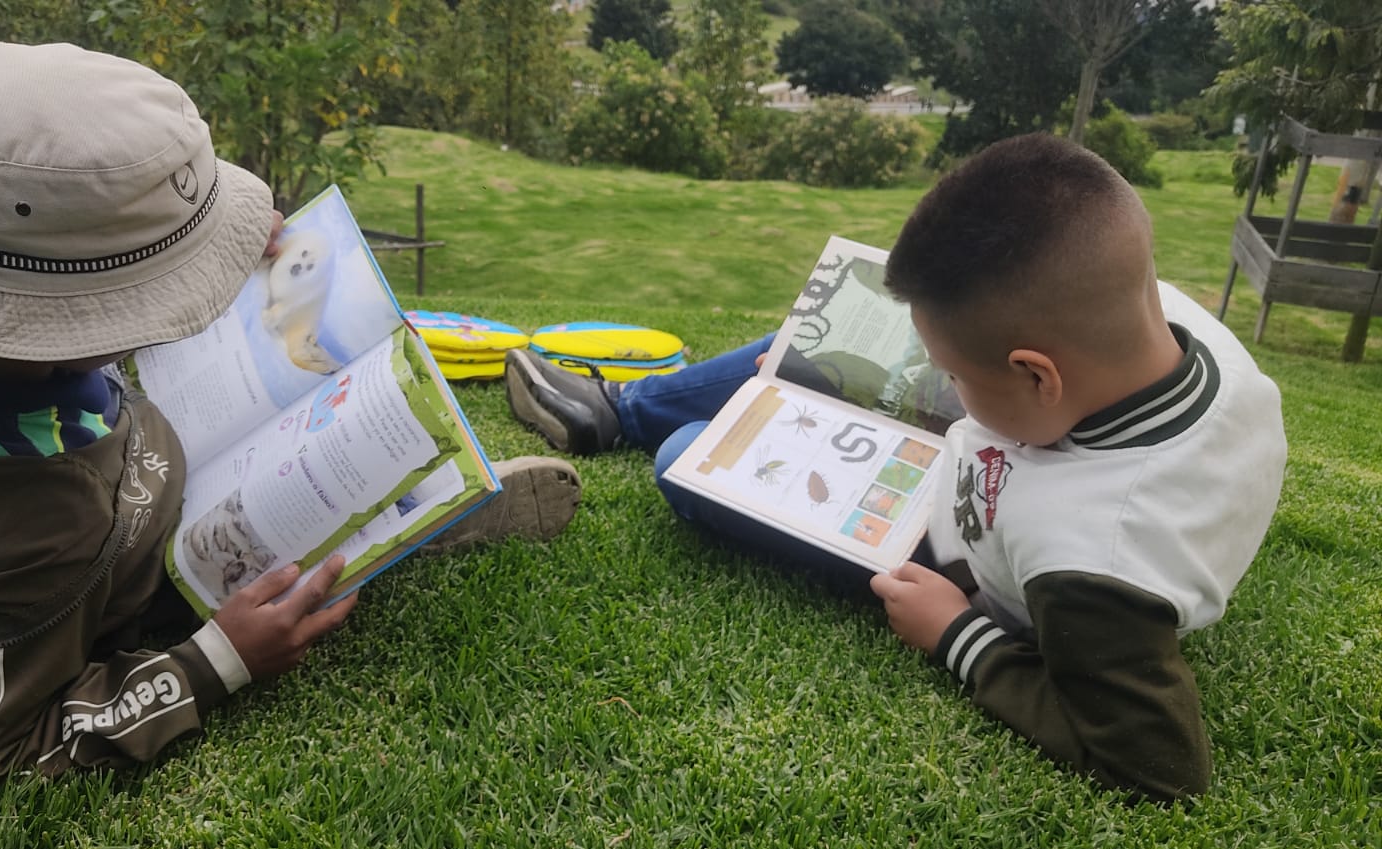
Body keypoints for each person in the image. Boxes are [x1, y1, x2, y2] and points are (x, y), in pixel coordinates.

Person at [0, 42, 579, 781]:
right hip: (122, 550)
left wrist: (202, 247)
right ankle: (389, 523)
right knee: (291, 511)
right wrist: (214, 662)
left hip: (121, 458)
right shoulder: (13, 546)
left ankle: (393, 508)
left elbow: (42, 297)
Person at [503, 134, 1287, 801]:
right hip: (1019, 445)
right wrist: (970, 390)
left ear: (1038, 374)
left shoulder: (1095, 560)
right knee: (841, 341)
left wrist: (957, 633)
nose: (949, 389)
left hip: (947, 553)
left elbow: (1158, 766)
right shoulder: (1167, 321)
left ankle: (639, 421)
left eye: (959, 382)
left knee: (687, 458)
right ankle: (617, 412)